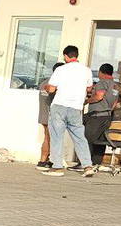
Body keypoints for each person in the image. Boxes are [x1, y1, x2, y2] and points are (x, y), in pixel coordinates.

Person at [41, 46, 103, 178]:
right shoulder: (86, 70)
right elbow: (89, 88)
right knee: (80, 138)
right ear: (76, 55)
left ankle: (57, 167)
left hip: (59, 106)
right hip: (76, 108)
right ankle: (87, 166)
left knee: (57, 137)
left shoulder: (60, 69)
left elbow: (51, 89)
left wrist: (46, 86)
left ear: (65, 56)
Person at [85, 62, 121, 149]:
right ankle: (97, 158)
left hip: (96, 117)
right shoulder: (115, 86)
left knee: (86, 141)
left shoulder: (102, 83)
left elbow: (99, 96)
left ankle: (85, 158)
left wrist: (86, 101)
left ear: (101, 72)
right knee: (100, 142)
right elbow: (115, 102)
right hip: (107, 117)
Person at [35, 61, 62, 170]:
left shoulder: (45, 82)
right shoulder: (55, 84)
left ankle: (47, 159)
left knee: (48, 137)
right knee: (48, 138)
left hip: (43, 114)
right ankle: (43, 160)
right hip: (50, 114)